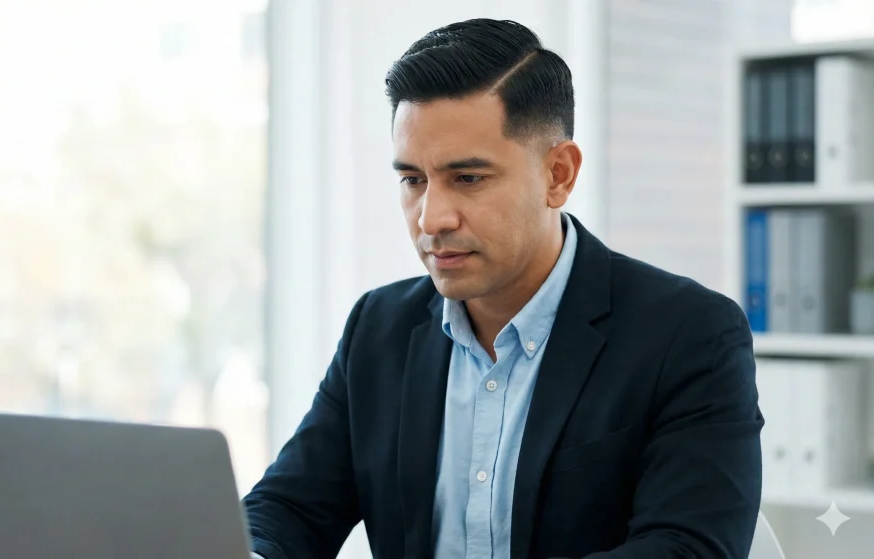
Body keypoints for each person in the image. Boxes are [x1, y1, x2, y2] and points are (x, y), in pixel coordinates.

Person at [242, 18, 763, 559]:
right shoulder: (379, 327)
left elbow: (687, 548)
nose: (431, 219)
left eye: (468, 178)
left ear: (558, 174)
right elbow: (288, 509)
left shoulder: (689, 334)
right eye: (413, 180)